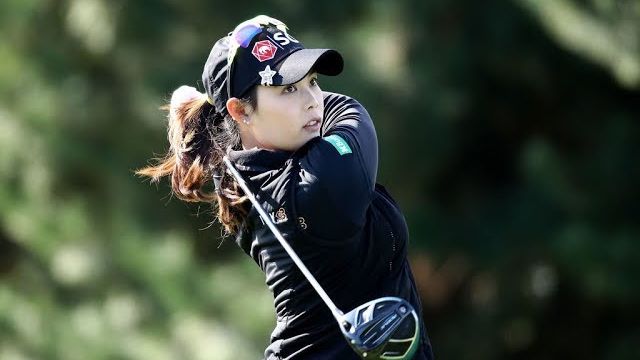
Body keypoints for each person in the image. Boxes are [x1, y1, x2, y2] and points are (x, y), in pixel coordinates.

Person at [138, 15, 434, 360]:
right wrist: (216, 106)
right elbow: (350, 110)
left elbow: (236, 128)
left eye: (313, 81)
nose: (312, 101)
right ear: (240, 111)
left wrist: (218, 107)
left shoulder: (241, 169)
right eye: (287, 89)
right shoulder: (320, 185)